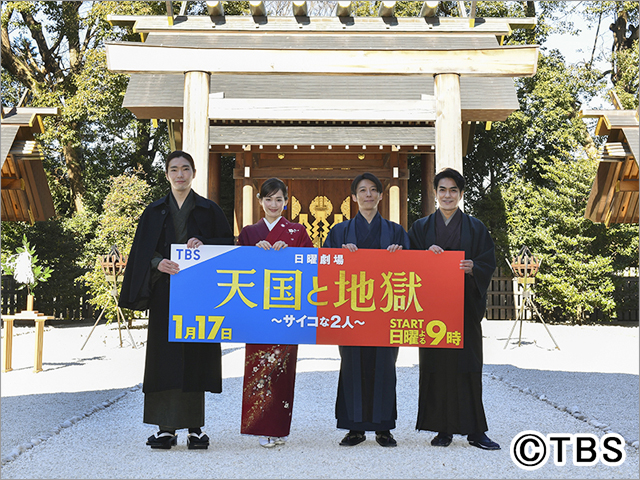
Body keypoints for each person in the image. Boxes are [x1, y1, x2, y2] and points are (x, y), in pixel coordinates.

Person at [119, 150, 233, 450]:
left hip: (199, 295)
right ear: (167, 174)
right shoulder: (154, 211)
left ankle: (195, 428)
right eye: (174, 169)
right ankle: (166, 428)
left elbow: (228, 246)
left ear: (193, 173)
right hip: (165, 293)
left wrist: (204, 244)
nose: (180, 174)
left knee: (195, 357)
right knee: (164, 357)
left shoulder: (209, 210)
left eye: (185, 169)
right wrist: (159, 263)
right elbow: (143, 252)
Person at [408, 167, 500, 450]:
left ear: (461, 194)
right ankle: (442, 429)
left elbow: (488, 260)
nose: (447, 195)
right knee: (436, 366)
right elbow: (407, 265)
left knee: (469, 365)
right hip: (432, 309)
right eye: (442, 190)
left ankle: (475, 431)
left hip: (464, 307)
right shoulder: (421, 228)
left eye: (453, 190)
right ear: (435, 194)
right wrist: (425, 258)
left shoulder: (475, 227)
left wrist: (474, 268)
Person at [322, 172, 409, 448]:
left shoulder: (396, 232)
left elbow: (413, 272)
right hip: (351, 310)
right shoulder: (339, 232)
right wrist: (340, 256)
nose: (368, 195)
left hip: (385, 310)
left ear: (381, 196)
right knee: (351, 365)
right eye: (362, 190)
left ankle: (384, 428)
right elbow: (324, 267)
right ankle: (354, 428)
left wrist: (401, 254)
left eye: (373, 190)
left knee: (385, 365)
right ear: (354, 197)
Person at [238, 178, 313, 448]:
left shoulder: (297, 232)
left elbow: (310, 265)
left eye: (279, 199)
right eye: (268, 199)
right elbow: (237, 267)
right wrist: (252, 252)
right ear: (260, 202)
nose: (273, 204)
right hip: (258, 309)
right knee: (257, 366)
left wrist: (291, 253)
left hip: (286, 309)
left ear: (286, 201)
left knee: (283, 369)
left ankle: (279, 429)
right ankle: (260, 427)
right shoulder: (249, 233)